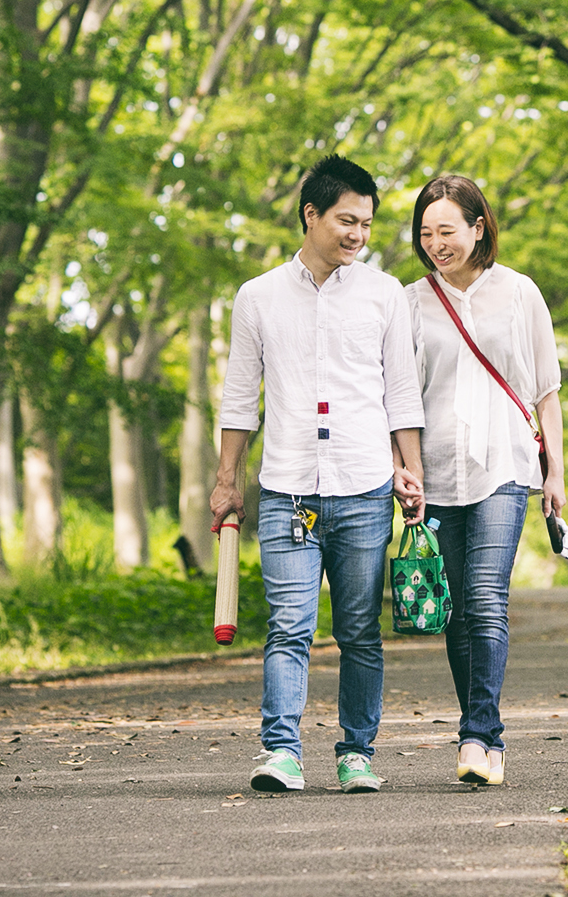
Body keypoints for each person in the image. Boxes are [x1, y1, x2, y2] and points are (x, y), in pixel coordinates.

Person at [211, 154, 425, 795]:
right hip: (287, 492)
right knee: (288, 625)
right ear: (311, 214)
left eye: (365, 223)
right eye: (345, 220)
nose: (357, 234)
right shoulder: (259, 297)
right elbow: (239, 395)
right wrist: (227, 479)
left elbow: (402, 395)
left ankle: (356, 752)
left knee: (359, 630)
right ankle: (280, 751)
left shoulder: (385, 294)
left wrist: (409, 472)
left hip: (364, 489)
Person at [401, 173, 566, 787]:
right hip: (437, 473)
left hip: (504, 465)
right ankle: (482, 736)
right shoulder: (410, 302)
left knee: (487, 599)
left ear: (478, 226)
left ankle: (479, 736)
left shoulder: (520, 294)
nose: (436, 244)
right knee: (456, 610)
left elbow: (546, 389)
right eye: (425, 233)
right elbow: (402, 398)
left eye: (447, 230)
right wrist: (407, 470)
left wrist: (557, 473)